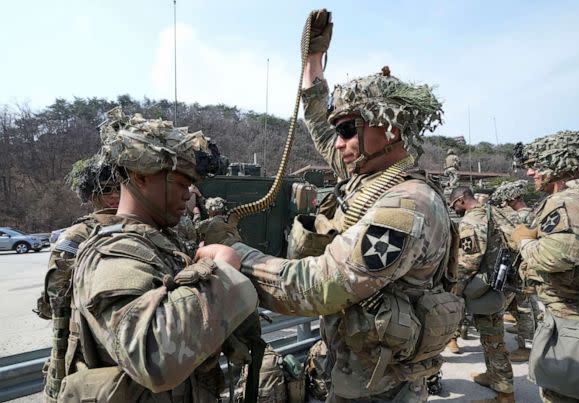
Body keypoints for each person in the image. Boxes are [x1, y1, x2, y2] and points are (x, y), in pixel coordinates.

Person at [200, 9, 463, 402]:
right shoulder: (369, 174)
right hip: (352, 367)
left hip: (381, 386)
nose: (339, 143)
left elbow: (323, 286)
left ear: (388, 128)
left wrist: (238, 256)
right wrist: (312, 64)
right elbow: (322, 129)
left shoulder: (407, 205)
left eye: (348, 130)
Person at [58, 107, 259, 402]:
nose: (187, 194)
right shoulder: (113, 253)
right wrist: (223, 272)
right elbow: (151, 355)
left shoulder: (160, 240)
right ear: (140, 176)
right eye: (179, 183)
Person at [512, 129, 579, 403]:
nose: (530, 173)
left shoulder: (567, 201)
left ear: (559, 164)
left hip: (576, 324)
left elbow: (556, 257)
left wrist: (523, 242)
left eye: (536, 165)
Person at [36, 155, 121, 402]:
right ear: (91, 195)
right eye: (106, 191)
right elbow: (56, 293)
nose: (114, 196)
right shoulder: (78, 234)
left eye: (119, 189)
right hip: (82, 331)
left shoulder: (141, 226)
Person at [450, 186, 515, 403]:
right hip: (502, 283)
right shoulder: (494, 212)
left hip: (485, 289)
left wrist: (454, 290)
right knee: (492, 335)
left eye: (454, 205)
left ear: (461, 200)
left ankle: (505, 393)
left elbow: (469, 262)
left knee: (493, 339)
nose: (455, 210)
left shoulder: (472, 220)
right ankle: (493, 376)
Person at [490, 180, 538, 362]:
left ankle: (525, 347)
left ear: (513, 198)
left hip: (521, 268)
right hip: (526, 267)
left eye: (507, 200)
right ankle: (530, 334)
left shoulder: (521, 216)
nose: (505, 204)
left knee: (523, 305)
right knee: (529, 303)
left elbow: (516, 241)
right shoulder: (529, 213)